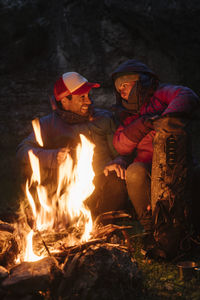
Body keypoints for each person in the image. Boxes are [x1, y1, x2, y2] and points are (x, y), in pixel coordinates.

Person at [104, 59, 200, 259]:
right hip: (147, 164)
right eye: (118, 88)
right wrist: (145, 123)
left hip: (176, 159)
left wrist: (166, 119)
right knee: (135, 172)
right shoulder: (127, 115)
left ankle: (188, 231)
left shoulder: (160, 94)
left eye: (125, 85)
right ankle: (152, 231)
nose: (121, 91)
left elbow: (187, 95)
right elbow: (121, 144)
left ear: (141, 82)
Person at [17, 71, 128, 221]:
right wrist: (52, 156)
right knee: (30, 169)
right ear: (64, 100)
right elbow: (23, 151)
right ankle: (62, 220)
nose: (88, 101)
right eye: (82, 97)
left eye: (89, 95)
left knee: (117, 182)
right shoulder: (48, 125)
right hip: (68, 189)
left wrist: (119, 161)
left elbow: (122, 150)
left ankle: (100, 224)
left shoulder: (104, 118)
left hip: (103, 182)